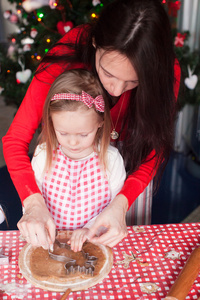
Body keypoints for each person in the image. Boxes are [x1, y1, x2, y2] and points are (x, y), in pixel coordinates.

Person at [2, 0, 181, 249]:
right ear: (95, 44)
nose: (117, 90)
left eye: (133, 81)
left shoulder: (166, 72)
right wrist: (33, 204)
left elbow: (155, 149)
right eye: (108, 73)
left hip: (132, 165)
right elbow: (15, 140)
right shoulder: (66, 56)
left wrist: (120, 203)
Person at [18, 69, 126, 251]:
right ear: (51, 122)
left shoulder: (111, 160)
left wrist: (90, 229)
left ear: (100, 122)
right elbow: (32, 203)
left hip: (94, 243)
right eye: (64, 133)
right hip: (49, 244)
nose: (73, 142)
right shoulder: (43, 155)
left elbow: (115, 209)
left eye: (84, 134)